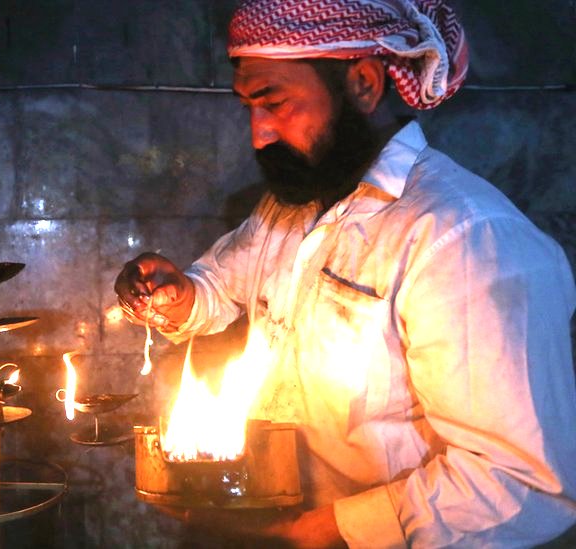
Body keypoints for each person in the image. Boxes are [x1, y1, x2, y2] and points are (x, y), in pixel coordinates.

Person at [114, 1, 576, 547]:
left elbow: (520, 483)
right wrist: (178, 297)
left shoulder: (466, 239)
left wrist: (326, 529)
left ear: (362, 82)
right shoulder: (290, 207)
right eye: (249, 108)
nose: (259, 135)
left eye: (275, 103)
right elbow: (220, 285)